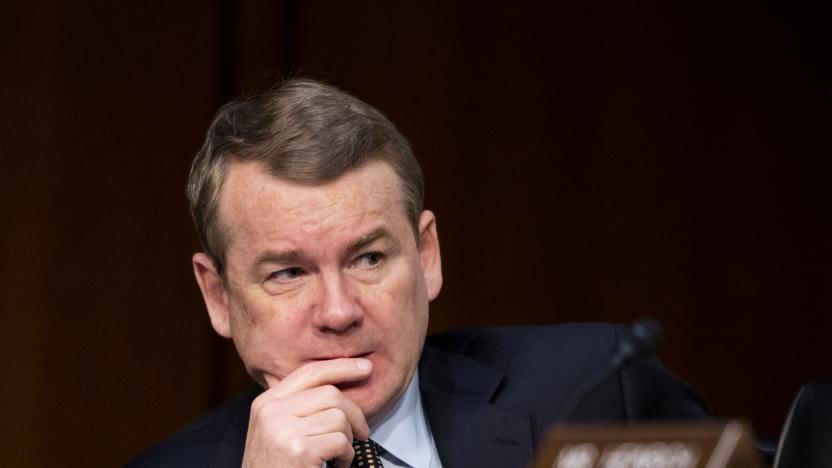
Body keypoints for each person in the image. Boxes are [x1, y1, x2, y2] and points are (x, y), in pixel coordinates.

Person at [127, 78, 706, 468]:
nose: (338, 311)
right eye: (289, 273)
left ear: (426, 256)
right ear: (219, 296)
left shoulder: (592, 388)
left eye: (369, 259)